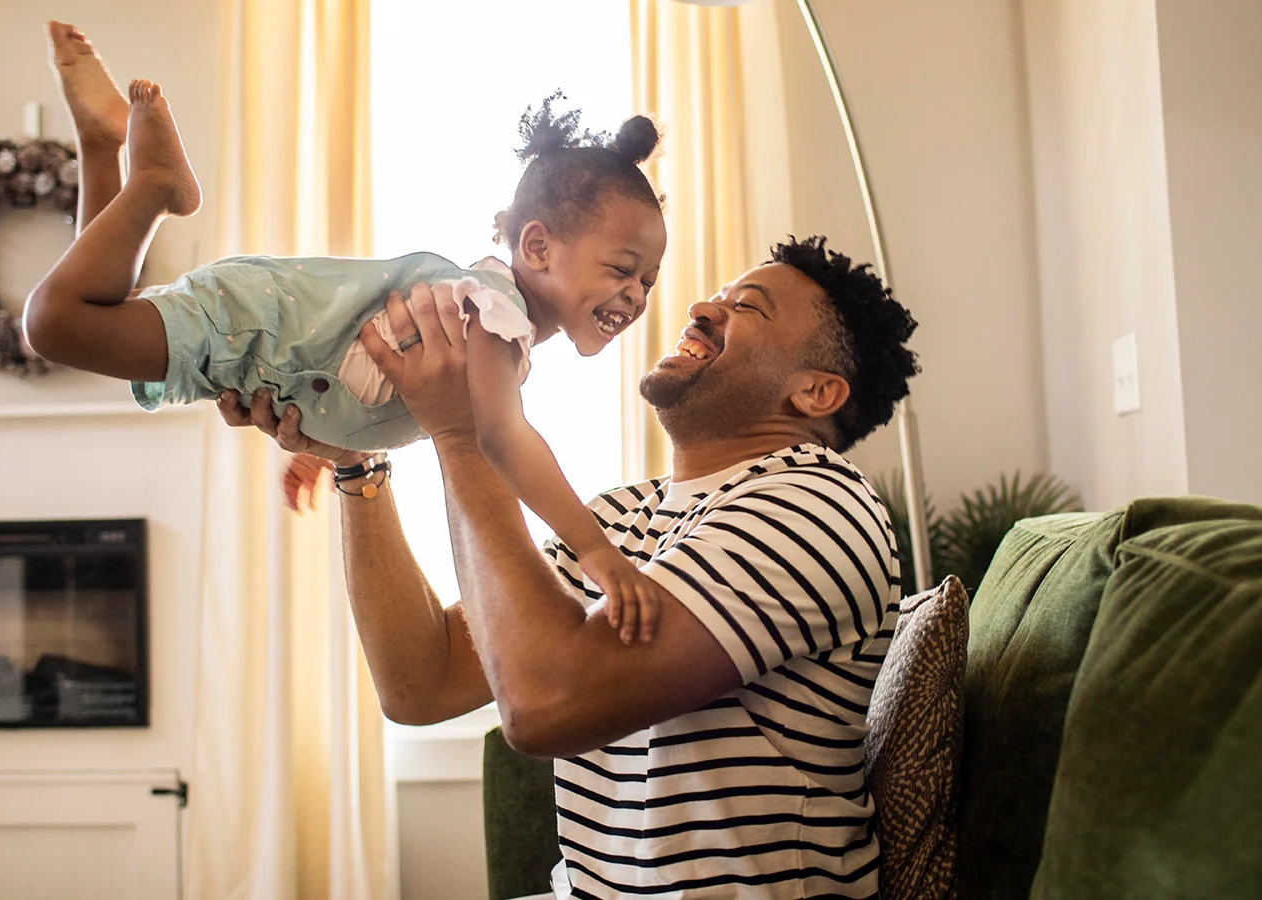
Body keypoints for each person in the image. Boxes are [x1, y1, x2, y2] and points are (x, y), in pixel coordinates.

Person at [223, 234, 920, 899]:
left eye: (746, 308)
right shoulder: (622, 517)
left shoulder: (813, 504)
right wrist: (358, 463)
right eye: (717, 294)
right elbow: (420, 684)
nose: (701, 309)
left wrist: (462, 429)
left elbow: (541, 705)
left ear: (817, 393)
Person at [27, 23, 670, 641]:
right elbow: (502, 438)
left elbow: (358, 359)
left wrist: (324, 444)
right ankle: (154, 183)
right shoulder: (495, 317)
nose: (636, 295)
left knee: (101, 308)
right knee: (56, 323)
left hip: (255, 339)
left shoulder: (486, 307)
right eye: (622, 269)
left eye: (649, 280)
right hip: (253, 328)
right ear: (538, 245)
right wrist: (597, 552)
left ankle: (100, 143)